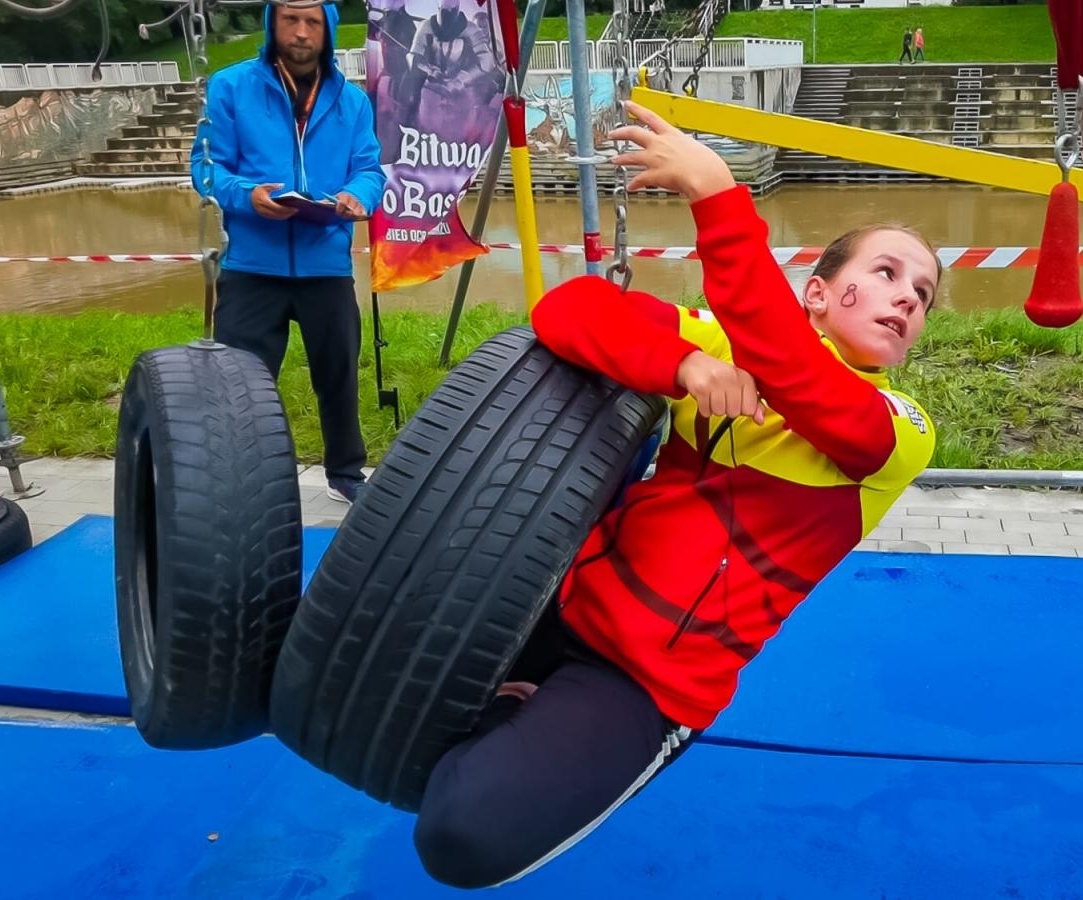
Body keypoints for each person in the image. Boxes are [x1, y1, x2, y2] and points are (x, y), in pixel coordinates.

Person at [411, 99, 941, 889]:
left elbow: (800, 375)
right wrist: (684, 367)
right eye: (887, 273)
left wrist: (718, 196)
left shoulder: (897, 430)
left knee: (460, 838)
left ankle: (524, 726)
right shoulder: (723, 348)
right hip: (549, 604)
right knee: (357, 668)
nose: (907, 299)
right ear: (820, 294)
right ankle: (514, 714)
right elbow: (570, 308)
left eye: (923, 296)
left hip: (646, 683)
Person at [190, 1, 385, 504]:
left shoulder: (353, 101)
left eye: (312, 22)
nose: (301, 33)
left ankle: (345, 472)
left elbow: (369, 169)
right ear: (272, 23)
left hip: (326, 265)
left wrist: (357, 196)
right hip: (253, 266)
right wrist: (247, 196)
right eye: (290, 20)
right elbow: (207, 169)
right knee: (240, 386)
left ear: (328, 29)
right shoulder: (230, 88)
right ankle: (239, 481)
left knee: (339, 375)